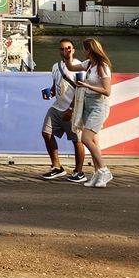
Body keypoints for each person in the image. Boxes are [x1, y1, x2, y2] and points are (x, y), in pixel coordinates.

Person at [38, 39, 87, 183]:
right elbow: (56, 86)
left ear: (73, 50)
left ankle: (79, 171)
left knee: (76, 140)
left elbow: (81, 89)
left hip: (72, 108)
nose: (66, 50)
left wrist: (72, 109)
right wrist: (50, 92)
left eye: (68, 48)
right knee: (46, 133)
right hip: (57, 106)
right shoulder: (56, 66)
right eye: (62, 49)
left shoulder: (79, 66)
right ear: (59, 51)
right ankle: (57, 167)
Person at [70, 37, 114, 188]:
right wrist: (69, 54)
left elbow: (107, 91)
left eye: (84, 49)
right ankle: (97, 173)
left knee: (86, 139)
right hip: (88, 103)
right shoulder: (89, 64)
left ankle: (104, 170)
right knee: (94, 141)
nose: (83, 51)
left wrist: (87, 85)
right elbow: (71, 67)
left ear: (89, 50)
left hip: (99, 105)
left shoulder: (102, 66)